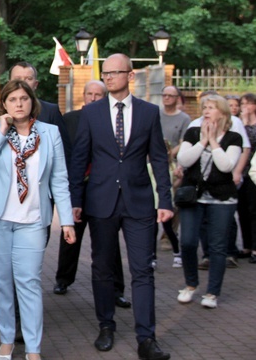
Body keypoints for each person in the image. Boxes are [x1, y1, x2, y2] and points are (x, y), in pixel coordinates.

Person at [69, 53, 173, 360]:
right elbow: (79, 160)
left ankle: (147, 339)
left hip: (139, 202)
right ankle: (106, 326)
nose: (109, 77)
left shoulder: (148, 112)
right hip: (100, 202)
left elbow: (159, 158)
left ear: (130, 76)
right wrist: (75, 200)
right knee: (102, 268)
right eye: (106, 73)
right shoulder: (91, 113)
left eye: (115, 72)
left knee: (143, 270)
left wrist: (164, 200)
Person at [0, 80, 75, 360]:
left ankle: (33, 348)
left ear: (32, 102)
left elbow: (60, 179)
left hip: (32, 220)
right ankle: (6, 340)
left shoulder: (50, 133)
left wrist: (67, 220)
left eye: (23, 98)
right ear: (4, 105)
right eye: (12, 99)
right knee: (2, 281)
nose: (18, 103)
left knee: (28, 282)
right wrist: (1, 130)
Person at [53, 80, 130, 308]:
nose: (94, 98)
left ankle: (117, 289)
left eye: (99, 94)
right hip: (76, 187)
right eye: (90, 94)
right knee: (70, 235)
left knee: (109, 240)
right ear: (83, 95)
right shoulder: (69, 120)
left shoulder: (113, 120)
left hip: (103, 189)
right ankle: (63, 279)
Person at [176, 94, 242, 309]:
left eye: (211, 107)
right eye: (205, 107)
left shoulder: (233, 138)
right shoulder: (193, 132)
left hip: (222, 199)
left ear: (222, 113)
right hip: (193, 197)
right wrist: (203, 140)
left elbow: (226, 166)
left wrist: (213, 141)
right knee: (187, 242)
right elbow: (184, 160)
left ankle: (212, 292)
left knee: (217, 246)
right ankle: (191, 284)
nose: (206, 111)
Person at [158, 85, 190, 267]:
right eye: (165, 95)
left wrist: (170, 153)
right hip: (155, 163)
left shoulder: (184, 118)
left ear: (178, 98)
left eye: (171, 95)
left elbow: (184, 141)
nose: (167, 98)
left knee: (173, 201)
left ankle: (168, 234)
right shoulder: (157, 115)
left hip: (175, 164)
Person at [240, 93, 256, 263]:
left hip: (254, 171)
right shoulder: (239, 123)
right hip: (241, 171)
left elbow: (249, 142)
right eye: (243, 103)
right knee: (242, 210)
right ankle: (246, 245)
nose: (245, 107)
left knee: (253, 210)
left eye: (248, 103)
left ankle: (255, 247)